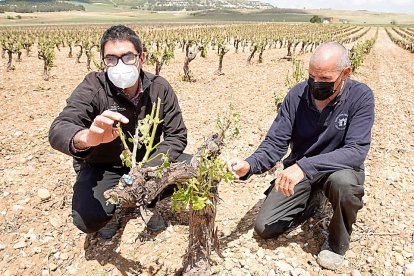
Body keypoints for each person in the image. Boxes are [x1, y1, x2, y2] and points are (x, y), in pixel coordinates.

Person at [227, 42, 374, 270]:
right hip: (300, 173)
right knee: (265, 228)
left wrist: (305, 166)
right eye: (311, 76)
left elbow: (355, 151)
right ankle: (313, 201)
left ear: (345, 73)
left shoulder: (360, 97)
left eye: (325, 78)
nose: (316, 83)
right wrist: (249, 164)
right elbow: (275, 143)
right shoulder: (296, 96)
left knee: (344, 184)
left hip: (337, 169)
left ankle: (336, 244)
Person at [49, 25, 187, 239]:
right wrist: (86, 138)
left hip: (149, 163)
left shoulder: (160, 88)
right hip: (104, 166)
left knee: (197, 169)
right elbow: (60, 127)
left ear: (141, 57)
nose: (119, 64)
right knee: (87, 218)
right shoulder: (93, 86)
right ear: (104, 61)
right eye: (111, 59)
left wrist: (147, 171)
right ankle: (112, 209)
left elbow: (177, 135)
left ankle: (150, 199)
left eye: (128, 57)